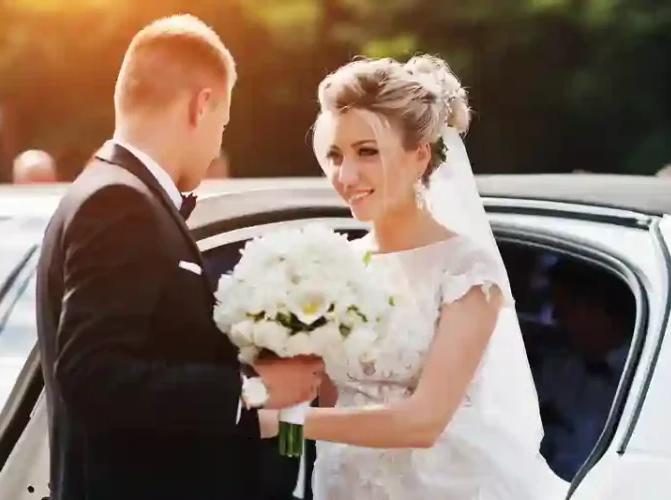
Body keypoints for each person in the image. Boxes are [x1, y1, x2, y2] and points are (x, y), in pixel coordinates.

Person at [34, 15, 323, 500]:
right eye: (223, 126)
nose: (216, 149)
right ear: (201, 105)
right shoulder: (119, 204)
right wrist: (253, 386)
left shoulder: (110, 191)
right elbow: (93, 375)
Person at [261, 55, 569, 499]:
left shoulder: (466, 269)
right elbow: (324, 405)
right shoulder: (333, 268)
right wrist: (279, 418)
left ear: (419, 155)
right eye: (334, 156)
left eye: (367, 152)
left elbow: (424, 421)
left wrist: (287, 422)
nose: (345, 176)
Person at [536, 258, 634, 480]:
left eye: (563, 309)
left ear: (595, 310)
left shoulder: (645, 378)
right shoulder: (557, 371)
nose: (555, 318)